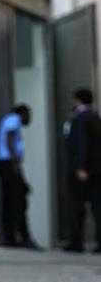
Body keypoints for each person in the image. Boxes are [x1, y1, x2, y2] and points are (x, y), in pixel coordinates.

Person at [0, 104, 42, 250]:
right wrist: (15, 162)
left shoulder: (10, 120)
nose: (29, 118)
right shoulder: (13, 119)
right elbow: (9, 137)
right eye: (28, 114)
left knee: (10, 201)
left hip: (7, 163)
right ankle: (23, 236)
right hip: (8, 163)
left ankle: (11, 237)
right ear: (22, 113)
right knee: (18, 201)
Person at [63, 88, 101, 253]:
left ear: (78, 100)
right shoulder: (95, 117)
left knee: (77, 207)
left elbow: (81, 144)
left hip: (83, 171)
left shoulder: (80, 119)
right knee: (97, 207)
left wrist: (80, 167)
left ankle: (76, 241)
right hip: (96, 170)